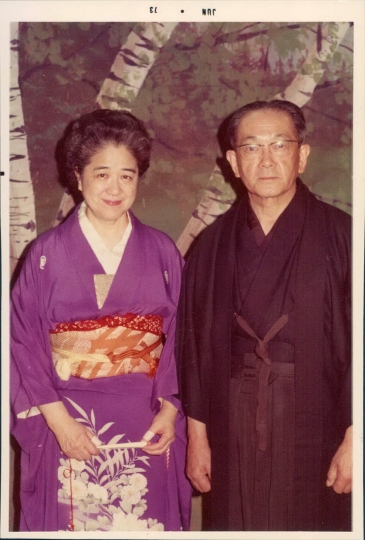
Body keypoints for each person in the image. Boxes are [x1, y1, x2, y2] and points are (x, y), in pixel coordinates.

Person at [10, 109, 191, 532]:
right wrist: (58, 423)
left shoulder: (163, 253)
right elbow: (22, 343)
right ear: (78, 175)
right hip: (67, 422)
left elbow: (182, 337)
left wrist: (170, 410)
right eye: (102, 174)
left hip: (146, 419)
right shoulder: (45, 255)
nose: (115, 188)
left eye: (127, 176)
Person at [176, 100, 352, 531]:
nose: (268, 159)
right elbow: (194, 350)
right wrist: (196, 438)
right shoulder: (210, 246)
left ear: (302, 155)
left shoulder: (344, 235)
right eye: (253, 148)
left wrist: (357, 438)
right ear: (234, 162)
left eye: (280, 144)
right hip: (230, 422)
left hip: (321, 421)